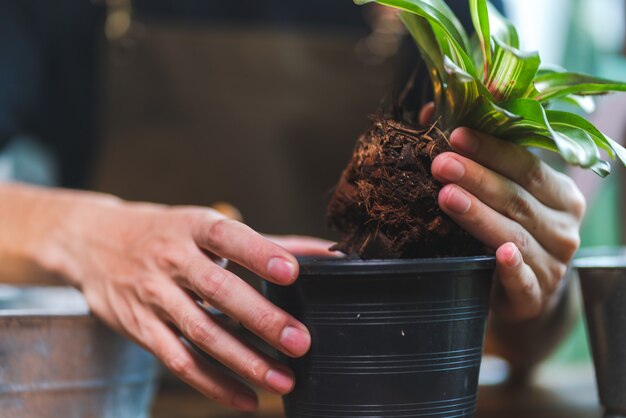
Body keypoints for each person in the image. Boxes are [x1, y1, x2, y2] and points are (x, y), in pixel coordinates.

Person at [0, 0, 584, 412]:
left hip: (383, 401)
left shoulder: (443, 18)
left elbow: (527, 338)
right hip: (126, 399)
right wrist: (90, 233)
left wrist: (534, 280)